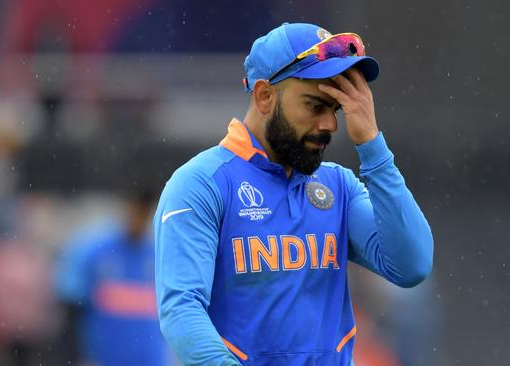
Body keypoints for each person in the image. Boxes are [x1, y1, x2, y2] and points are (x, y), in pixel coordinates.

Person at [154, 22, 434, 366]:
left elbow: (412, 265)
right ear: (264, 96)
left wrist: (373, 148)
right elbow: (181, 310)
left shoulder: (338, 187)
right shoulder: (201, 184)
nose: (331, 125)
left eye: (336, 110)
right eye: (316, 106)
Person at [54, 189, 169, 366]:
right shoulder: (92, 250)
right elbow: (70, 304)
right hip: (102, 357)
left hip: (149, 359)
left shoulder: (159, 255)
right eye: (136, 210)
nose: (139, 219)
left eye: (145, 213)